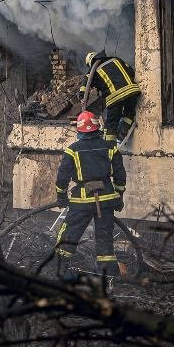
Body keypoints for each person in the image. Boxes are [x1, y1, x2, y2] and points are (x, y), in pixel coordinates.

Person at [54, 110, 126, 278]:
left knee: (69, 235)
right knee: (104, 240)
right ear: (97, 128)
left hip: (82, 203)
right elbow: (120, 176)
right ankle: (108, 277)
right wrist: (119, 197)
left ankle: (59, 271)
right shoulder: (110, 148)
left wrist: (61, 197)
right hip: (107, 200)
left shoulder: (72, 150)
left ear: (79, 131)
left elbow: (62, 178)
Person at [80, 50, 140, 143]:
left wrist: (82, 98)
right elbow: (131, 72)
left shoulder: (93, 70)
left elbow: (85, 86)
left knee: (111, 123)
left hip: (114, 97)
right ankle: (123, 130)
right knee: (129, 112)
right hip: (132, 91)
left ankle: (110, 147)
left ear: (90, 62)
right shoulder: (116, 60)